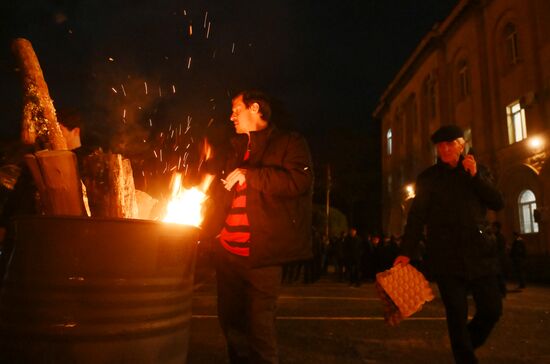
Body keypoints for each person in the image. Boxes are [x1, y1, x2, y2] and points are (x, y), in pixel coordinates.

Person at [202, 90, 313, 364]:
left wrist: (250, 176)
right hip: (227, 253)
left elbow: (299, 182)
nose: (231, 117)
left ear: (254, 108)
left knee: (260, 332)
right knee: (232, 328)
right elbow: (224, 195)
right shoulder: (237, 148)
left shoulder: (289, 142)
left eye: (236, 110)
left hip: (263, 257)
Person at [393, 125, 504, 364]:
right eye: (440, 146)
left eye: (449, 144)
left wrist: (475, 177)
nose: (444, 149)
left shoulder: (478, 171)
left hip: (480, 254)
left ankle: (467, 342)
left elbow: (497, 202)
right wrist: (406, 252)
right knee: (456, 312)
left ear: (461, 144)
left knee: (492, 309)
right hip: (445, 256)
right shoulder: (429, 178)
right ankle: (465, 358)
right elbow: (416, 218)